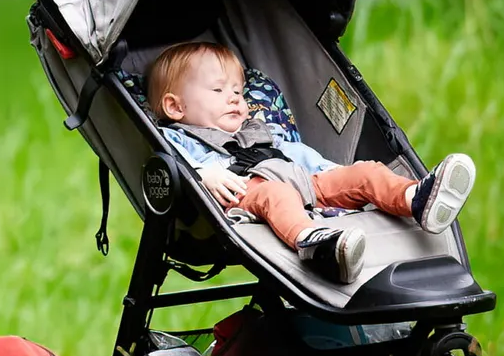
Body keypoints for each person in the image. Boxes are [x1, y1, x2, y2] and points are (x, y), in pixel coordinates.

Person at [149, 41, 476, 284]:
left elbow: (301, 155)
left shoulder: (262, 130)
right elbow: (170, 165)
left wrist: (341, 177)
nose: (235, 97)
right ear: (176, 108)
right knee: (276, 195)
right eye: (219, 90)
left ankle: (416, 199)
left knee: (365, 172)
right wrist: (202, 175)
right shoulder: (178, 138)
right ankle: (314, 243)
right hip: (245, 196)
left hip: (303, 181)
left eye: (238, 90)